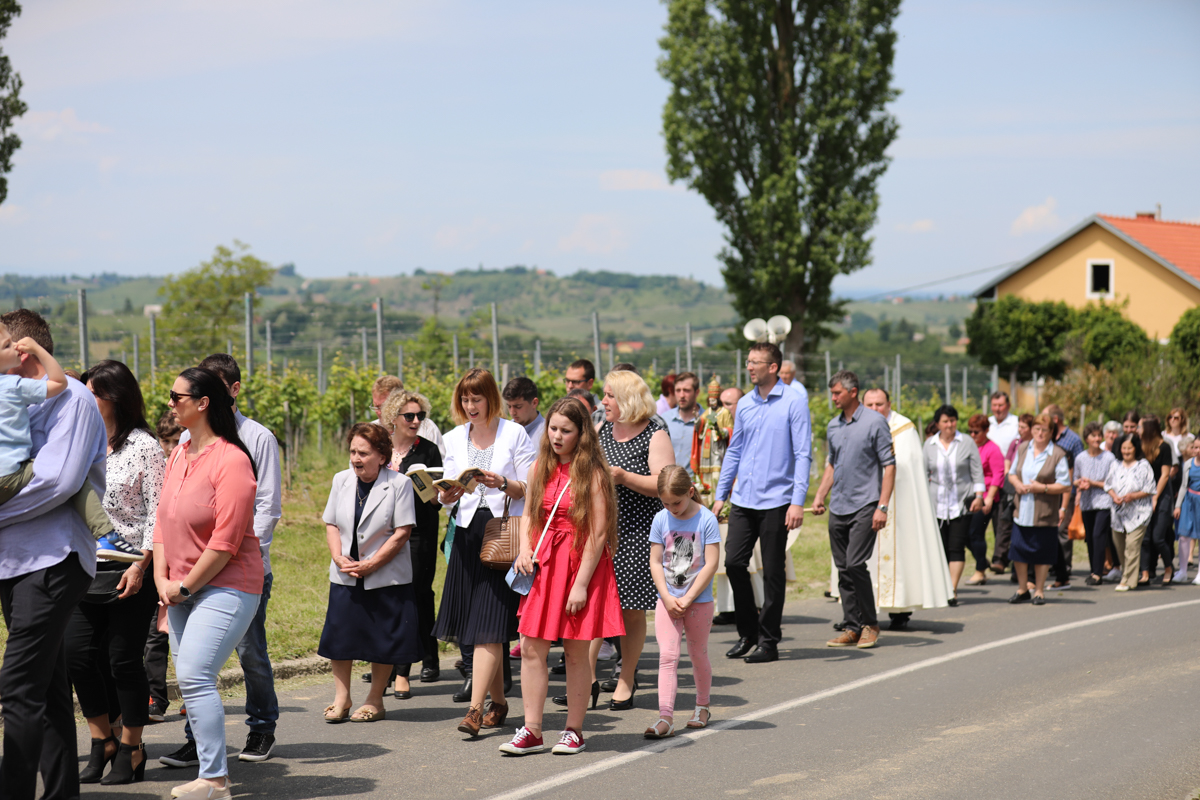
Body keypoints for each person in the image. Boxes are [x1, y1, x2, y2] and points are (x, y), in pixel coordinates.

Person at [0, 309, 104, 800]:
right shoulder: (11, 400)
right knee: (46, 687)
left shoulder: (76, 401)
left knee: (17, 687)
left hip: (53, 561)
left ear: (22, 349)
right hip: (14, 564)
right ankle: (61, 793)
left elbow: (58, 483)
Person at [161, 354, 282, 767]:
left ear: (206, 401)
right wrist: (166, 576)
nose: (171, 403)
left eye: (178, 396)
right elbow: (165, 518)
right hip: (183, 581)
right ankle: (199, 749)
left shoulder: (246, 446)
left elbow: (257, 514)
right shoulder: (180, 449)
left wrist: (189, 580)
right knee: (194, 675)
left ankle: (259, 729)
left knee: (247, 656)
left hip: (232, 576)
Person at [500, 397, 624, 756]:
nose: (556, 435)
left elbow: (599, 534)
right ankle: (533, 730)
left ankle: (574, 730)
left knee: (575, 653)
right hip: (544, 564)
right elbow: (530, 516)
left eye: (565, 430)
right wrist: (524, 549)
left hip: (579, 566)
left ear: (581, 433)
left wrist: (582, 584)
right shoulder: (540, 467)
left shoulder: (594, 473)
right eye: (552, 428)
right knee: (531, 648)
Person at [66, 361, 164, 785]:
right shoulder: (81, 441)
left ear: (116, 398)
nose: (85, 401)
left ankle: (131, 746)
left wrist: (142, 566)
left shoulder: (145, 446)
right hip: (83, 565)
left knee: (123, 660)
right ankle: (100, 741)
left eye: (93, 394)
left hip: (130, 568)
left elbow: (158, 514)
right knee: (77, 656)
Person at [434, 368, 535, 737]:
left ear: (490, 398)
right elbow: (447, 493)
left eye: (476, 398)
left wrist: (501, 482)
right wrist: (447, 494)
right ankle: (501, 703)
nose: (470, 405)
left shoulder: (514, 433)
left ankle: (475, 710)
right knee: (475, 629)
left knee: (489, 626)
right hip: (465, 536)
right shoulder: (453, 438)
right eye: (465, 398)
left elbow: (529, 489)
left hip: (501, 536)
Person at [0, 327, 139, 562]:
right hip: (8, 476)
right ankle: (106, 534)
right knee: (67, 468)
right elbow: (58, 382)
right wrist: (37, 349)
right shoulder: (13, 386)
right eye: (6, 345)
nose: (14, 346)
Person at [715, 343, 812, 661]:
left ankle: (769, 641)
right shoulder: (743, 404)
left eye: (756, 362)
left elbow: (802, 454)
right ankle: (748, 632)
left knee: (772, 571)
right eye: (748, 361)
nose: (749, 367)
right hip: (744, 499)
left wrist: (797, 501)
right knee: (733, 563)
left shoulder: (794, 402)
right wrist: (721, 495)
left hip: (778, 501)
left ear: (773, 367)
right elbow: (735, 450)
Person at [319, 423, 421, 723]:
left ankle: (375, 700)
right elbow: (331, 523)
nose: (356, 458)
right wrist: (338, 557)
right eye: (352, 451)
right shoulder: (341, 480)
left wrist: (372, 564)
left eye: (363, 453)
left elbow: (402, 532)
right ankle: (342, 698)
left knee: (382, 639)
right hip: (346, 572)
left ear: (381, 455)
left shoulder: (399, 484)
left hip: (384, 575)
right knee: (340, 637)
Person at [838, 388, 952, 631]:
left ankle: (900, 608)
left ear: (889, 405)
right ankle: (857, 612)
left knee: (901, 554)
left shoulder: (904, 428)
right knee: (856, 558)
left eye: (880, 404)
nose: (875, 408)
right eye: (869, 404)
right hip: (860, 500)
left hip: (897, 503)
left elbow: (908, 465)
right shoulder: (854, 424)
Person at [597, 368, 674, 702]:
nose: (603, 401)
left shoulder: (654, 433)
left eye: (610, 395)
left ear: (627, 399)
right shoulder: (601, 428)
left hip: (637, 532)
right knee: (594, 608)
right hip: (601, 531)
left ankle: (626, 678)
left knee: (630, 611)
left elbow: (664, 483)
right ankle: (583, 683)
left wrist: (625, 477)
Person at [812, 370, 892, 646]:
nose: (833, 397)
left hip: (866, 503)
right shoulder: (834, 426)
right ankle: (852, 626)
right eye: (832, 393)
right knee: (843, 567)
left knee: (856, 562)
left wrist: (882, 506)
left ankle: (870, 623)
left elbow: (889, 465)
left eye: (837, 393)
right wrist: (821, 495)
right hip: (839, 505)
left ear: (853, 392)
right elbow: (832, 465)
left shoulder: (875, 422)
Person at [644, 465, 720, 738]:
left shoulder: (706, 519)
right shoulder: (661, 519)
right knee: (668, 656)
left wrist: (688, 597)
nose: (672, 508)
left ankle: (702, 705)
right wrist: (666, 596)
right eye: (665, 503)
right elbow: (655, 561)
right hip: (667, 601)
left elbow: (711, 563)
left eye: (676, 502)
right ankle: (665, 716)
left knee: (697, 653)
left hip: (698, 602)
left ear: (690, 492)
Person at [380, 389, 443, 687]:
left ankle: (407, 667)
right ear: (394, 417)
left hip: (419, 531)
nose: (416, 420)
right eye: (410, 415)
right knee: (389, 596)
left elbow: (436, 501)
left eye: (421, 415)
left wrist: (428, 488)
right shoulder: (380, 445)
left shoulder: (428, 450)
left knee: (417, 593)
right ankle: (390, 663)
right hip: (384, 532)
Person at [922, 405, 985, 604]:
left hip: (960, 502)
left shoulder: (966, 442)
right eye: (945, 421)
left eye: (952, 420)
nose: (949, 425)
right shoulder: (929, 445)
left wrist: (979, 495)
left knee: (956, 546)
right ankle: (939, 587)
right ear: (937, 424)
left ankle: (952, 589)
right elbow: (923, 474)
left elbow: (977, 470)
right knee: (939, 547)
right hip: (936, 504)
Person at [1006, 413, 1069, 605]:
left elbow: (1065, 485)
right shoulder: (1023, 448)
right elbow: (1011, 473)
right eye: (1036, 429)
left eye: (1044, 430)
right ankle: (1023, 589)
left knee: (1042, 552)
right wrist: (1017, 484)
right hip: (1022, 510)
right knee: (1018, 550)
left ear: (1051, 432)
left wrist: (1042, 488)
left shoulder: (1058, 454)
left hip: (1044, 512)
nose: (1040, 433)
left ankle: (1039, 591)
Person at [147, 409, 182, 721]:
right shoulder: (154, 464)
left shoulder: (186, 465)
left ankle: (191, 692)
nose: (171, 446)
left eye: (176, 440)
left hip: (182, 561)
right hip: (156, 558)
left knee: (185, 634)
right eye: (166, 440)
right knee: (154, 635)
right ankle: (156, 697)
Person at [1106, 433, 1156, 592]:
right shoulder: (1115, 465)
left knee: (1132, 546)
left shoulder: (1143, 465)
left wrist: (1133, 496)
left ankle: (1128, 580)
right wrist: (1114, 496)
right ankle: (1126, 575)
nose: (1126, 451)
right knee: (1120, 547)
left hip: (1139, 514)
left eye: (1129, 448)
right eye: (1123, 448)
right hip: (1118, 514)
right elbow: (1108, 485)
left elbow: (1150, 488)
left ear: (1136, 448)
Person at [1044, 404, 1083, 590]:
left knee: (1062, 531)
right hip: (1049, 492)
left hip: (1067, 491)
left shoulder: (1073, 440)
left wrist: (1075, 494)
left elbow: (1078, 466)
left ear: (1054, 419)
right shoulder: (1048, 439)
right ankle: (1053, 566)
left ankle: (1064, 568)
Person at [1074, 422, 1116, 586]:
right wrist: (1081, 484)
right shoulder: (1080, 458)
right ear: (1086, 438)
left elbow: (1112, 481)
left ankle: (1098, 573)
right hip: (1087, 502)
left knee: (1099, 535)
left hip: (1104, 501)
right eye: (1094, 435)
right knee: (1090, 537)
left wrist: (1093, 483)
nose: (1097, 438)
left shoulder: (1108, 457)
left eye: (1099, 435)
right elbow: (1075, 479)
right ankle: (1094, 570)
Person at [1137, 414, 1177, 585]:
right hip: (1143, 496)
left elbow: (1165, 475)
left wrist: (1154, 497)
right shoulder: (1139, 446)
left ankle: (1168, 568)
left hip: (1161, 496)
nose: (1137, 430)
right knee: (1145, 539)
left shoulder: (1165, 447)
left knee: (1158, 537)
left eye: (1139, 427)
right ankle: (1145, 573)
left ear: (1148, 429)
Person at [964, 414, 1003, 587]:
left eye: (976, 432)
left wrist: (988, 498)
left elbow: (998, 475)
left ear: (986, 431)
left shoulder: (992, 449)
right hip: (969, 496)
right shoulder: (969, 447)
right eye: (970, 431)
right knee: (964, 536)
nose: (973, 435)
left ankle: (980, 571)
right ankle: (982, 560)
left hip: (986, 496)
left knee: (975, 533)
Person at [371, 374, 445, 457]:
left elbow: (440, 464)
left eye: (384, 406)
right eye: (376, 407)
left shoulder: (427, 428)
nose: (380, 412)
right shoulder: (371, 432)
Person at [987, 392, 1020, 574]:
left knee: (1004, 519)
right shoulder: (988, 423)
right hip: (990, 478)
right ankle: (1000, 556)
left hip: (1008, 476)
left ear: (1008, 406)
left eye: (1000, 405)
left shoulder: (1015, 424)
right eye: (994, 405)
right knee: (993, 520)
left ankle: (1001, 558)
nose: (997, 409)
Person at [1173, 437, 1200, 584]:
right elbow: (1183, 486)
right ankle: (1182, 571)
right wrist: (1178, 505)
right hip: (1189, 502)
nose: (1197, 451)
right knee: (1183, 536)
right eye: (1195, 447)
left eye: (1199, 447)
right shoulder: (1189, 464)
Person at [665, 371, 700, 476]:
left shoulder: (706, 421)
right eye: (678, 390)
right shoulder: (665, 420)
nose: (682, 395)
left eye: (687, 390)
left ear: (697, 392)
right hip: (669, 483)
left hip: (697, 484)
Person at [503, 376, 545, 448]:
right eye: (509, 406)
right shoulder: (504, 431)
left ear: (534, 403)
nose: (512, 412)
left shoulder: (548, 433)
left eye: (518, 407)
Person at [565, 359, 607, 426]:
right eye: (567, 381)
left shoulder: (604, 413)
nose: (570, 386)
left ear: (589, 383)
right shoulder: (561, 409)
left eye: (575, 382)